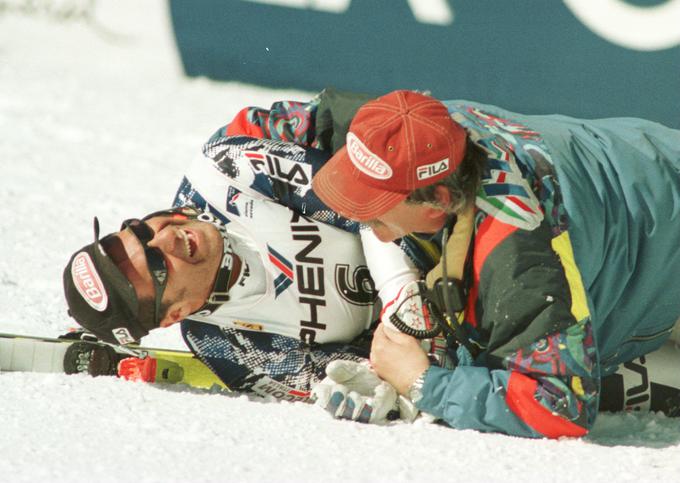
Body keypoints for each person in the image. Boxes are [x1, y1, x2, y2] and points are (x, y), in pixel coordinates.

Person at [311, 89, 680, 438]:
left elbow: (561, 404)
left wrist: (423, 383)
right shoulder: (415, 131)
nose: (375, 232)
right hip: (644, 167)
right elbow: (313, 117)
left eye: (377, 216)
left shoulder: (519, 255)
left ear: (438, 201)